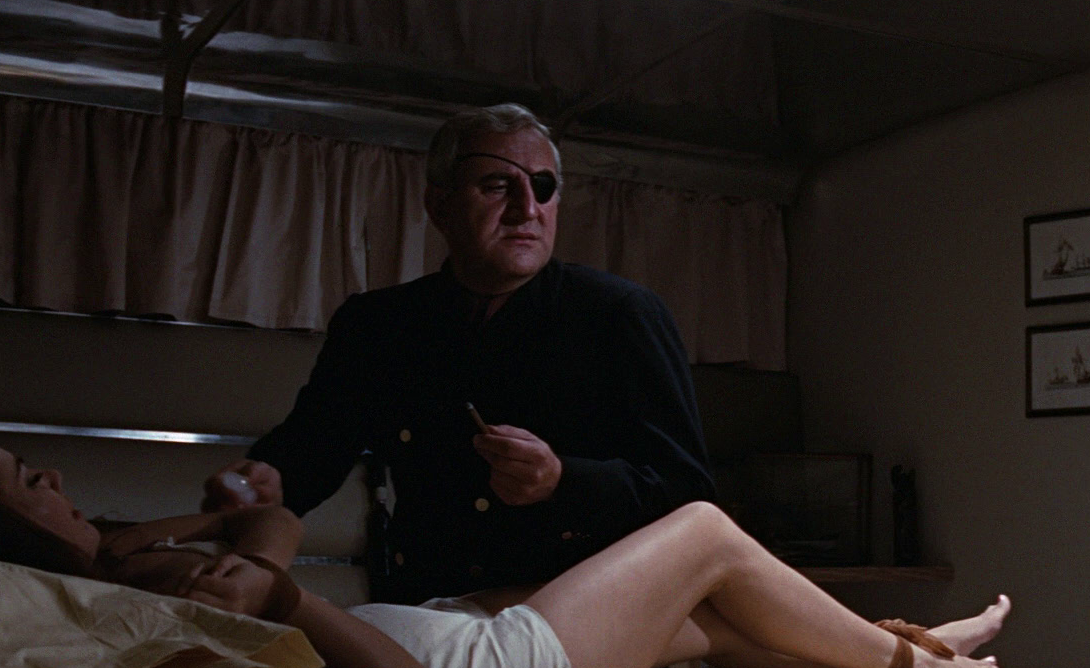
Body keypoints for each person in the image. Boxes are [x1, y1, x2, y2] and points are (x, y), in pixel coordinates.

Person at [0, 425, 1008, 668]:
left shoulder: (107, 575)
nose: (53, 478)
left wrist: (182, 531)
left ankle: (902, 651)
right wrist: (268, 558)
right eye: (26, 483)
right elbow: (277, 548)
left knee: (710, 618)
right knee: (701, 533)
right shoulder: (132, 603)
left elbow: (258, 535)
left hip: (455, 621)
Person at [206, 104, 717, 611]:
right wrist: (266, 482)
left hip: (572, 621)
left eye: (543, 187)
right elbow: (314, 448)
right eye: (497, 186)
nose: (527, 209)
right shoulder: (378, 325)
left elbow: (687, 493)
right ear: (439, 205)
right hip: (423, 613)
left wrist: (564, 481)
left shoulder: (619, 314)